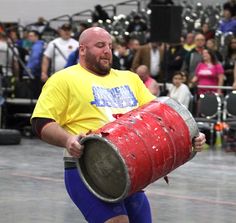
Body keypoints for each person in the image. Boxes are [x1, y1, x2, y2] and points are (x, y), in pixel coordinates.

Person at [31, 27, 206, 223]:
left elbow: (160, 118)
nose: (107, 50)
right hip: (87, 168)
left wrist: (191, 138)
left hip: (130, 171)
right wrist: (68, 139)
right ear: (82, 49)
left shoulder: (129, 79)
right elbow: (41, 122)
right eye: (100, 45)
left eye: (109, 46)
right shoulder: (63, 79)